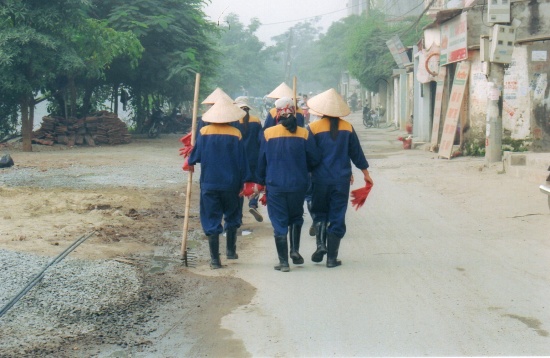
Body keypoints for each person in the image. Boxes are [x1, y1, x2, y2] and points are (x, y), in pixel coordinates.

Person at [306, 88, 373, 268]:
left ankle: (320, 245)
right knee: (337, 214)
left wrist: (309, 171)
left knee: (320, 212)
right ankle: (331, 259)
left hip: (319, 179)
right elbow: (356, 153)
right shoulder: (347, 127)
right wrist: (366, 174)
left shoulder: (312, 128)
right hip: (341, 180)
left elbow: (310, 157)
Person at [257, 97, 320, 272]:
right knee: (296, 217)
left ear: (277, 115)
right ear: (294, 112)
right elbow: (314, 159)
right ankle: (294, 250)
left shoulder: (268, 134)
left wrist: (260, 182)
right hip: (298, 184)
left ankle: (284, 262)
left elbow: (261, 162)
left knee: (279, 221)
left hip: (275, 184)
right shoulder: (304, 133)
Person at [187, 97, 250, 269]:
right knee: (232, 214)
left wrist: (190, 158)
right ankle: (231, 251)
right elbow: (242, 160)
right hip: (231, 183)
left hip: (210, 182)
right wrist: (246, 181)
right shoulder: (236, 133)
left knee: (211, 217)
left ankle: (215, 260)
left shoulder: (204, 132)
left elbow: (196, 156)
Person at [234, 96, 264, 222]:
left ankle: (238, 216)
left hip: (238, 157)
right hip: (253, 156)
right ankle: (252, 203)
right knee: (254, 181)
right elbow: (260, 140)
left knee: (239, 185)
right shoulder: (256, 121)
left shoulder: (233, 121)